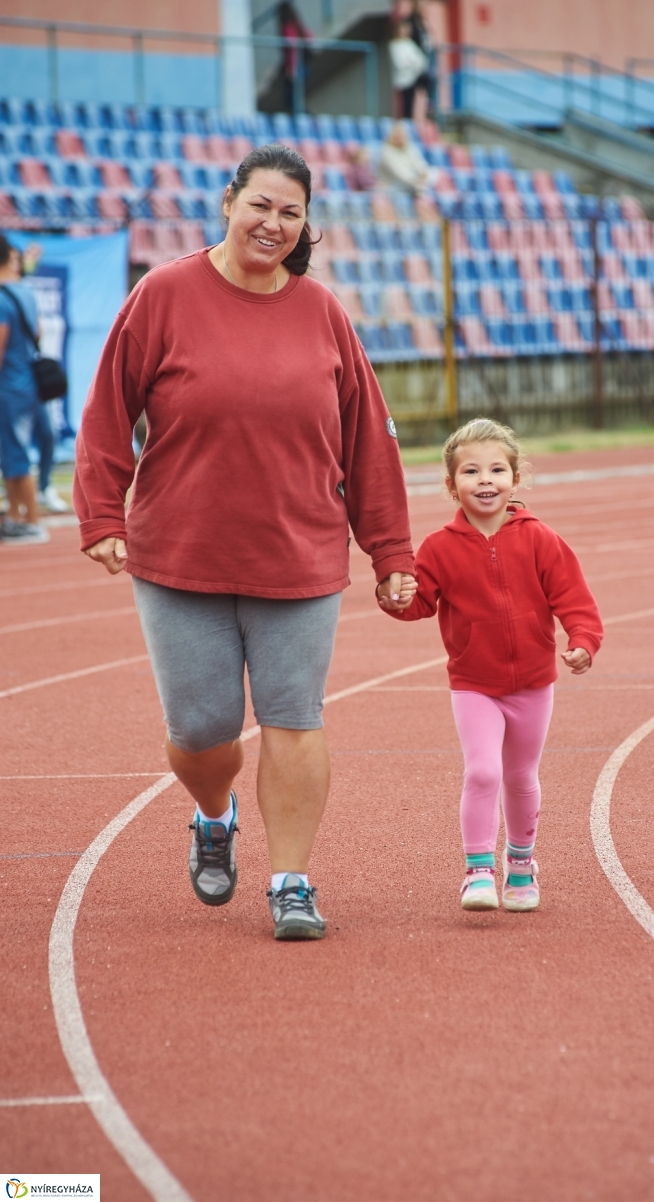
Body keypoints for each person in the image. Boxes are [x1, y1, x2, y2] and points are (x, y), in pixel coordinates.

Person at [74, 143, 416, 941]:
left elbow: (369, 437)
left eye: (290, 213)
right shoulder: (162, 295)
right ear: (229, 201)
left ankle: (292, 880)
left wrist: (391, 552)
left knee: (295, 717)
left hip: (298, 554)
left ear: (305, 227)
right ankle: (213, 814)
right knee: (202, 733)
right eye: (260, 204)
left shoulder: (323, 311)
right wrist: (100, 515)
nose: (273, 223)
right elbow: (106, 412)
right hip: (181, 556)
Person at [380, 418, 603, 912]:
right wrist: (395, 598)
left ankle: (521, 865)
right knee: (483, 772)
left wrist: (583, 640)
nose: (485, 480)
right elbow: (419, 604)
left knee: (521, 776)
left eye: (497, 470)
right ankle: (478, 870)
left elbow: (574, 599)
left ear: (515, 479)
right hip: (473, 684)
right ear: (450, 484)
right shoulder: (439, 548)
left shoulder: (541, 539)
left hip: (533, 686)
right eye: (472, 472)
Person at [0, 234, 48, 544]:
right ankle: (18, 517)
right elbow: (39, 333)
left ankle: (29, 520)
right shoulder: (25, 293)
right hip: (25, 383)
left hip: (8, 387)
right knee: (13, 453)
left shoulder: (3, 299)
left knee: (14, 454)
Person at [378, 121, 437, 194]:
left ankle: (423, 192)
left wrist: (423, 172)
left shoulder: (409, 147)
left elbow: (419, 162)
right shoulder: (386, 152)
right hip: (394, 184)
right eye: (397, 136)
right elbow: (399, 173)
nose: (399, 138)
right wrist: (416, 180)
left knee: (435, 173)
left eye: (401, 135)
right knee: (419, 188)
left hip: (414, 181)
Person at [388, 19, 429, 120]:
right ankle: (405, 123)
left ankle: (429, 107)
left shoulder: (409, 44)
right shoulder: (394, 45)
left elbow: (421, 60)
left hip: (412, 78)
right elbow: (400, 64)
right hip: (401, 81)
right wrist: (412, 63)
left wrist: (412, 63)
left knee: (426, 81)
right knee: (405, 106)